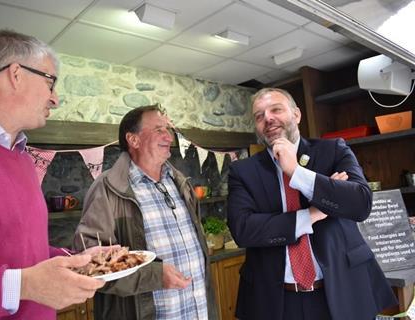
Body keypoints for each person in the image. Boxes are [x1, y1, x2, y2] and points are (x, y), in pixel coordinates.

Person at [0, 29, 107, 319]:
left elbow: (19, 254)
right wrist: (21, 286)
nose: (55, 98)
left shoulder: (21, 155)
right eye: (50, 83)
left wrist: (76, 261)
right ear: (16, 74)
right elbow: (21, 280)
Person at [227, 88, 397, 320]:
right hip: (275, 301)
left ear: (296, 115)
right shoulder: (242, 171)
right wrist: (312, 214)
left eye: (276, 109)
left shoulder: (333, 150)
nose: (267, 118)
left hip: (342, 290)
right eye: (259, 116)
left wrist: (297, 173)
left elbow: (360, 204)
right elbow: (244, 230)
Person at [73, 105, 218, 320]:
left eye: (168, 130)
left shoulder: (181, 183)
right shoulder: (107, 188)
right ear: (134, 140)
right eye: (159, 130)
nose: (169, 137)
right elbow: (91, 265)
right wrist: (154, 276)